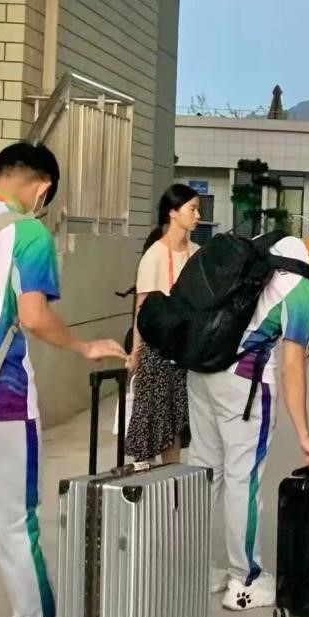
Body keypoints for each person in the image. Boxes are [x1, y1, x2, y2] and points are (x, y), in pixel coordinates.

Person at [0, 142, 126, 617]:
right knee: (14, 527)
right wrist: (82, 345)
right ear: (43, 189)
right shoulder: (29, 233)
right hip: (0, 404)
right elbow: (32, 315)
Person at [188, 217, 309, 610]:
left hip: (203, 368)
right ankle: (245, 580)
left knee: (204, 473)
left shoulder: (273, 243)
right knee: (243, 480)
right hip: (245, 383)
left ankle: (192, 569)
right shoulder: (303, 288)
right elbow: (293, 365)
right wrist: (304, 433)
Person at [125, 185, 201, 464]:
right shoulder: (154, 255)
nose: (198, 215)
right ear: (173, 213)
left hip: (185, 352)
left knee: (175, 430)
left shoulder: (197, 253)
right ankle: (143, 485)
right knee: (149, 429)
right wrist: (136, 352)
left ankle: (171, 486)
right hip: (156, 353)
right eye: (192, 209)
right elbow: (141, 309)